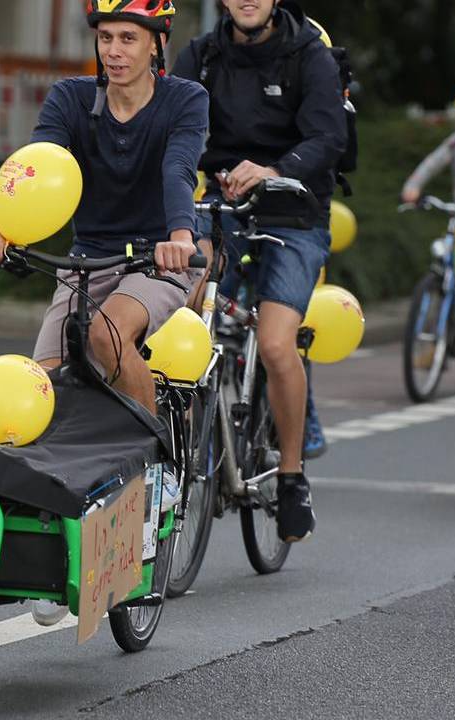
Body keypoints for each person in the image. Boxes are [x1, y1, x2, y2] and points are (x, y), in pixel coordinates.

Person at [0, 0, 203, 627]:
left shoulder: (185, 99)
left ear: (156, 44)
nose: (115, 50)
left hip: (160, 257)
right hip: (89, 258)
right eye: (105, 38)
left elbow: (179, 167)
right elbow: (37, 164)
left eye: (129, 38)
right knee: (38, 387)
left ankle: (154, 476)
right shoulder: (72, 98)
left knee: (106, 333)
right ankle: (55, 533)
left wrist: (180, 234)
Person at [172, 0, 344, 542]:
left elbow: (328, 138)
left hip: (295, 211)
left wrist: (274, 170)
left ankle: (291, 478)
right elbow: (169, 129)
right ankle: (175, 450)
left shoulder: (309, 54)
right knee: (181, 308)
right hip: (221, 205)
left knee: (273, 343)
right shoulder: (201, 56)